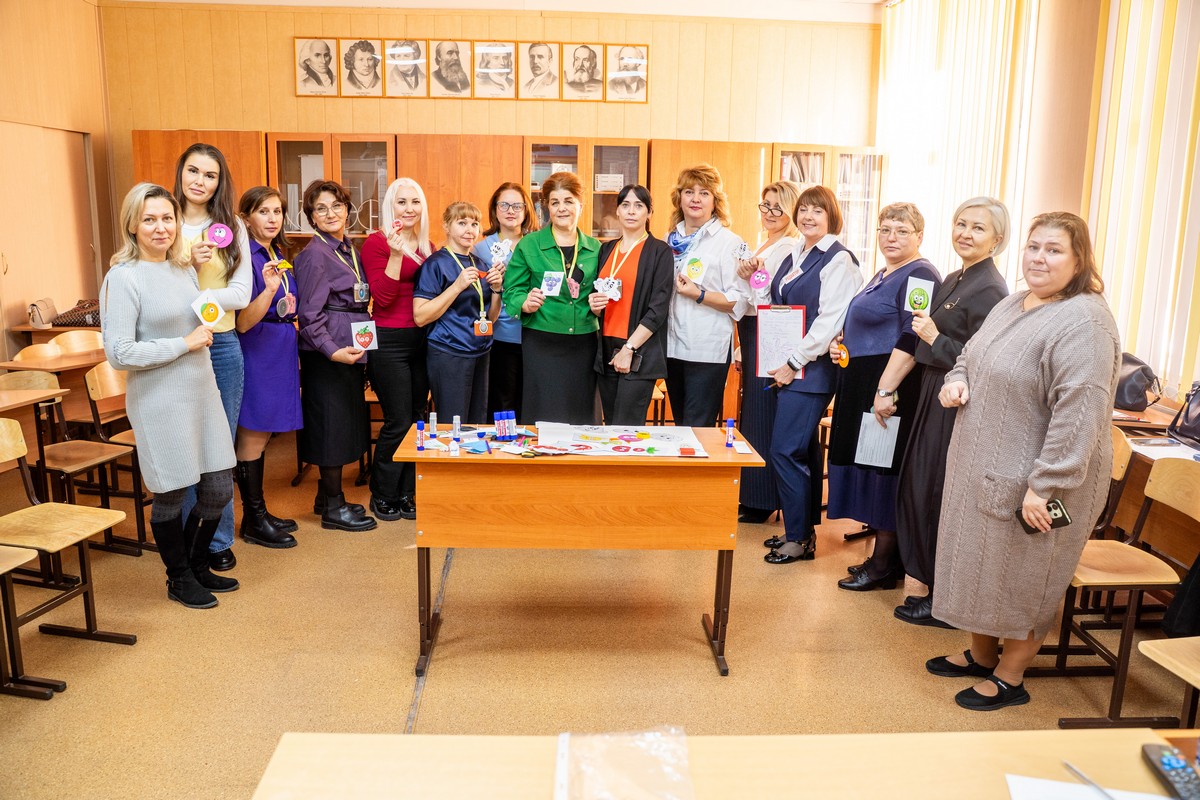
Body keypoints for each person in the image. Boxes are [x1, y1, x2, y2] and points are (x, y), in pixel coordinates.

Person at [927, 211, 1120, 711]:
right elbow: (968, 355)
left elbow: (1080, 413)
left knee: (1025, 574)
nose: (1039, 258)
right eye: (1034, 247)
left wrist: (1045, 486)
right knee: (980, 563)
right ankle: (981, 655)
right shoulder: (1014, 303)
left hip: (1039, 480)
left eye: (1054, 250)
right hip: (985, 465)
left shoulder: (1084, 322)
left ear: (1079, 259)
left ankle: (1010, 676)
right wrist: (956, 381)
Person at [100, 183, 236, 609]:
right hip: (160, 399)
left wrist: (199, 338)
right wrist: (183, 343)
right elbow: (120, 354)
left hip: (202, 391)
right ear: (132, 225)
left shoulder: (182, 269)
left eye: (167, 218)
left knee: (218, 488)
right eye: (149, 219)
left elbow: (196, 323)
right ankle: (179, 577)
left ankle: (197, 564)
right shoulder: (123, 278)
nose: (161, 228)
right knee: (172, 492)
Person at [893, 198, 1010, 627]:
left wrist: (934, 338)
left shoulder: (992, 289)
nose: (966, 233)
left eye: (978, 228)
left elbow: (984, 360)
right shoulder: (956, 277)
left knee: (935, 492)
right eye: (961, 224)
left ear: (997, 239)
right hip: (931, 388)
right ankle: (928, 585)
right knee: (918, 486)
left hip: (954, 400)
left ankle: (943, 597)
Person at [828, 202, 941, 591]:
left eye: (902, 231)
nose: (891, 237)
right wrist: (842, 343)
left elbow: (912, 335)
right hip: (862, 380)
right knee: (872, 467)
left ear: (919, 236)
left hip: (889, 387)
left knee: (884, 472)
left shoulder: (920, 274)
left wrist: (885, 389)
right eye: (885, 230)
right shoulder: (883, 272)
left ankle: (882, 567)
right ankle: (884, 560)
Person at [752, 186, 864, 565]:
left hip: (811, 371)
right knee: (805, 450)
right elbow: (774, 303)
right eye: (803, 210)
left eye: (817, 211)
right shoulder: (797, 253)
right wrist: (756, 276)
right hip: (790, 367)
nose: (808, 217)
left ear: (831, 216)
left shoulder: (838, 260)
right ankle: (801, 531)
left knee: (785, 450)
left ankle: (799, 539)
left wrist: (793, 361)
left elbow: (829, 320)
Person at [173, 143, 253, 573]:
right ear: (181, 173)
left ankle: (217, 540)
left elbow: (240, 294)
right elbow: (150, 287)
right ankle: (188, 538)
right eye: (193, 171)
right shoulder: (164, 219)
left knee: (219, 448)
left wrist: (196, 295)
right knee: (186, 445)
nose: (200, 181)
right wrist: (187, 265)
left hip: (221, 345)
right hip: (177, 347)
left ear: (220, 182)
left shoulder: (231, 226)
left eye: (210, 175)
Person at [294, 180, 376, 532]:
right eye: (321, 209)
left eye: (337, 206)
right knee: (330, 427)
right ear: (311, 217)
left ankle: (325, 497)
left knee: (343, 424)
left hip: (350, 347)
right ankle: (334, 507)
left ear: (347, 210)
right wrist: (331, 351)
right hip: (328, 352)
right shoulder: (314, 254)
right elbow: (309, 315)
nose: (330, 213)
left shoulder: (348, 248)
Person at [502, 171, 601, 424]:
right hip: (542, 342)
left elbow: (606, 293)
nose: (562, 208)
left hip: (585, 343)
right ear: (547, 207)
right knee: (543, 413)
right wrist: (524, 303)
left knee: (582, 415)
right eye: (555, 202)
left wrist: (600, 304)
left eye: (568, 201)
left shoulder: (597, 248)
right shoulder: (529, 245)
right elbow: (512, 291)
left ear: (581, 204)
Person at [232, 186, 300, 550]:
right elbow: (244, 321)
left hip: (279, 348)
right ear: (245, 218)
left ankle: (259, 513)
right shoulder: (246, 258)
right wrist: (271, 290)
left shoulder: (275, 252)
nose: (272, 219)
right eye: (263, 212)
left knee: (265, 434)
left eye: (277, 211)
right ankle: (253, 519)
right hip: (258, 348)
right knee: (252, 434)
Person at [360, 178, 432, 522]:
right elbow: (384, 298)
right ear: (391, 206)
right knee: (398, 420)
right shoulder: (377, 243)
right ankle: (383, 493)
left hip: (422, 340)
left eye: (415, 202)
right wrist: (396, 253)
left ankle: (406, 491)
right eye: (402, 202)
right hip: (388, 340)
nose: (409, 209)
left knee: (417, 419)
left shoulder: (428, 245)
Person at [732, 181, 801, 523]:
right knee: (752, 411)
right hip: (751, 328)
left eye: (778, 207)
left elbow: (770, 296)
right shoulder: (764, 242)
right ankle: (751, 494)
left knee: (762, 413)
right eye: (766, 205)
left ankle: (761, 500)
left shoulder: (789, 246)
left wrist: (751, 275)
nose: (770, 213)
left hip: (769, 329)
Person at [664, 163, 748, 427]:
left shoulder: (729, 242)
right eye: (689, 192)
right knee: (681, 426)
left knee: (697, 428)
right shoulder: (669, 239)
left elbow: (740, 300)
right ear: (679, 198)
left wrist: (699, 294)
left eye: (704, 193)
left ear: (715, 201)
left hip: (705, 350)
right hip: (671, 347)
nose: (696, 199)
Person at [591, 185, 673, 425]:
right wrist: (594, 306)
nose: (631, 211)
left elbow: (658, 310)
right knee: (610, 426)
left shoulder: (660, 252)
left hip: (638, 350)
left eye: (639, 205)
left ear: (649, 213)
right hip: (606, 348)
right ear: (617, 210)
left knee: (626, 429)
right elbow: (598, 300)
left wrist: (629, 349)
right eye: (625, 205)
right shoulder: (606, 249)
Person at [415, 202, 503, 422]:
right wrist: (457, 286)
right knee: (452, 422)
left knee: (477, 422)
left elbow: (491, 318)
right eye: (462, 223)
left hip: (481, 351)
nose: (469, 230)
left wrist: (496, 289)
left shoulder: (481, 264)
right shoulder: (435, 264)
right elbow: (420, 316)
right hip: (449, 352)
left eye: (474, 224)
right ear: (446, 226)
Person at [472, 182, 539, 418]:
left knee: (531, 403)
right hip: (500, 337)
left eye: (517, 206)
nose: (511, 211)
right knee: (503, 403)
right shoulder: (481, 249)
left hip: (536, 335)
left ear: (526, 210)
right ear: (495, 210)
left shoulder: (537, 243)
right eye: (504, 205)